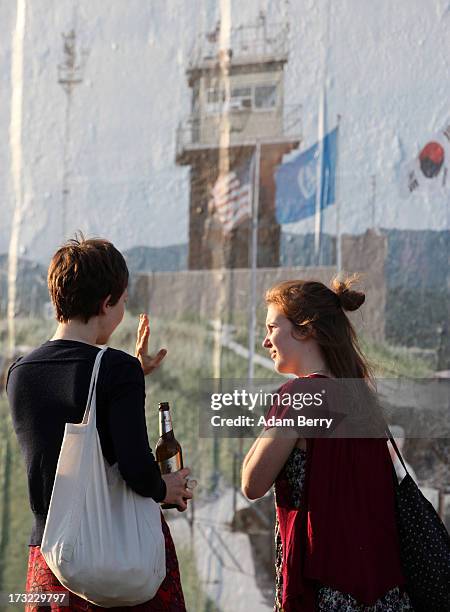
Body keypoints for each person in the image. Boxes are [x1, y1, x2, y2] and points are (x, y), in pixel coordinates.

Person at [6, 236, 192, 612]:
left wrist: (132, 375)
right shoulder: (116, 368)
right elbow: (136, 467)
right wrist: (164, 488)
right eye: (123, 301)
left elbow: (64, 428)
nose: (123, 309)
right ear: (106, 301)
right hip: (116, 554)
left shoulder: (19, 373)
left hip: (50, 557)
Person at [241, 277, 413, 612]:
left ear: (306, 330)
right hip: (384, 591)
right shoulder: (360, 398)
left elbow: (251, 482)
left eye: (272, 327)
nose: (265, 341)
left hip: (326, 591)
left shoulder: (301, 395)